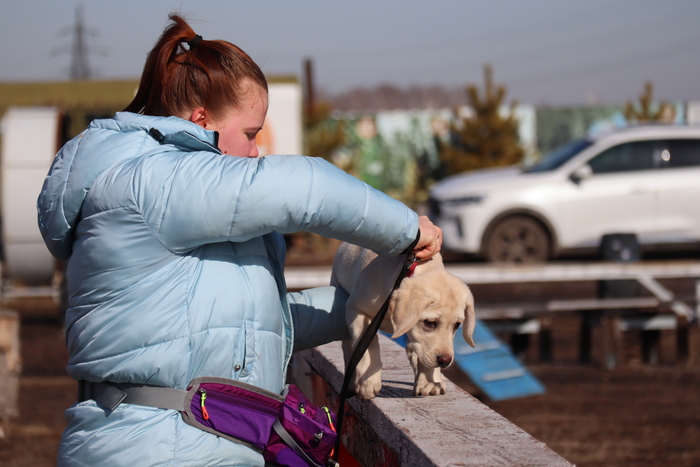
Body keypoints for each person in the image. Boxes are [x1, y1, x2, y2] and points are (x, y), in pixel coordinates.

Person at [37, 14, 442, 467]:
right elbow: (305, 188)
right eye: (250, 134)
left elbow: (252, 328)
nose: (255, 150)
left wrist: (366, 303)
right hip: (161, 451)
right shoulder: (153, 181)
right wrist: (409, 230)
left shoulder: (173, 199)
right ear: (201, 120)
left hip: (171, 443)